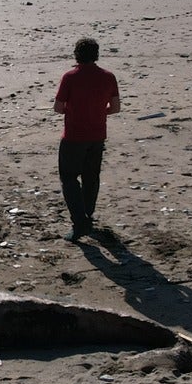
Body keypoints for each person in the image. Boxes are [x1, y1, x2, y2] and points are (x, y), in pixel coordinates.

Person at [52, 37, 120, 240]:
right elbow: (115, 108)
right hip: (97, 135)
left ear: (76, 55)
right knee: (91, 177)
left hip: (74, 136)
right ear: (96, 55)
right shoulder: (108, 77)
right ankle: (88, 215)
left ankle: (80, 222)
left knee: (69, 178)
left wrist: (75, 111)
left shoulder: (70, 76)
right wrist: (98, 112)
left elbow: (58, 108)